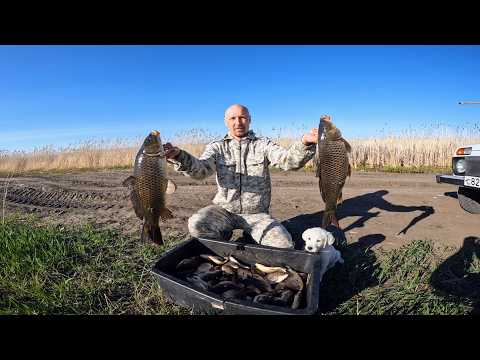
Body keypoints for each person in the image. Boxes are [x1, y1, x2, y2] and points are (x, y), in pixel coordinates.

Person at [164, 104, 324, 249]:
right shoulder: (217, 147)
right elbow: (201, 171)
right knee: (197, 224)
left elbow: (288, 161)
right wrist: (179, 156)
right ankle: (223, 237)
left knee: (283, 245)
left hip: (257, 214)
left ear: (249, 120)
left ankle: (252, 234)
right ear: (226, 122)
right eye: (233, 118)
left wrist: (305, 143)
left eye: (242, 117)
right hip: (224, 211)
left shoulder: (263, 144)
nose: (238, 122)